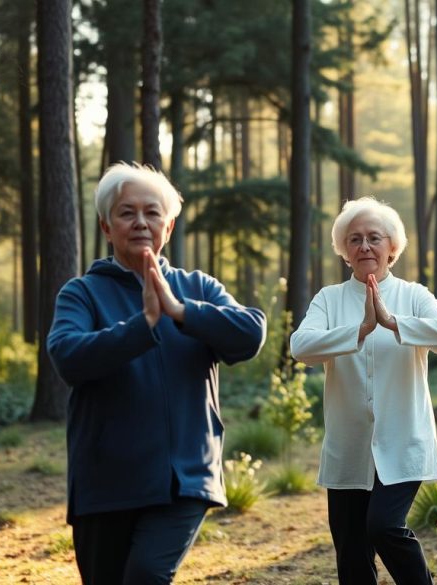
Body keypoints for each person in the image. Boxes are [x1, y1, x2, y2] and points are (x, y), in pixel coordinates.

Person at [47, 163, 267, 585]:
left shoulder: (198, 288)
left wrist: (182, 312)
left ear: (168, 226)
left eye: (152, 212)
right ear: (106, 227)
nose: (141, 222)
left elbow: (250, 333)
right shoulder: (82, 293)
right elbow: (67, 357)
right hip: (105, 482)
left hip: (183, 478)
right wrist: (142, 325)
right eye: (127, 213)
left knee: (147, 575)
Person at [290, 197, 437, 585]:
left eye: (374, 238)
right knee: (351, 553)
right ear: (344, 251)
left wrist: (390, 321)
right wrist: (359, 330)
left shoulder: (414, 295)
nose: (364, 246)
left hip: (404, 442)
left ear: (392, 248)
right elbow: (301, 346)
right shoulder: (329, 299)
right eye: (354, 239)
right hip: (348, 447)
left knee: (383, 526)